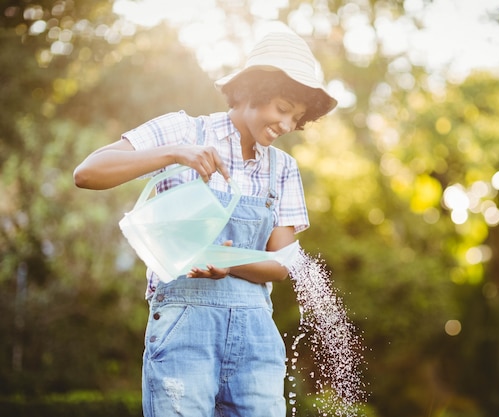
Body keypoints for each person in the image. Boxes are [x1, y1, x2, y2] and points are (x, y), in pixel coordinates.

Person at [73, 31, 337, 417]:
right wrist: (175, 153)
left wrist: (230, 265)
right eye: (282, 108)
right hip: (184, 325)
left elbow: (282, 264)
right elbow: (88, 173)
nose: (285, 124)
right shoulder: (183, 131)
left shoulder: (283, 169)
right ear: (253, 90)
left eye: (295, 118)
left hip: (256, 338)